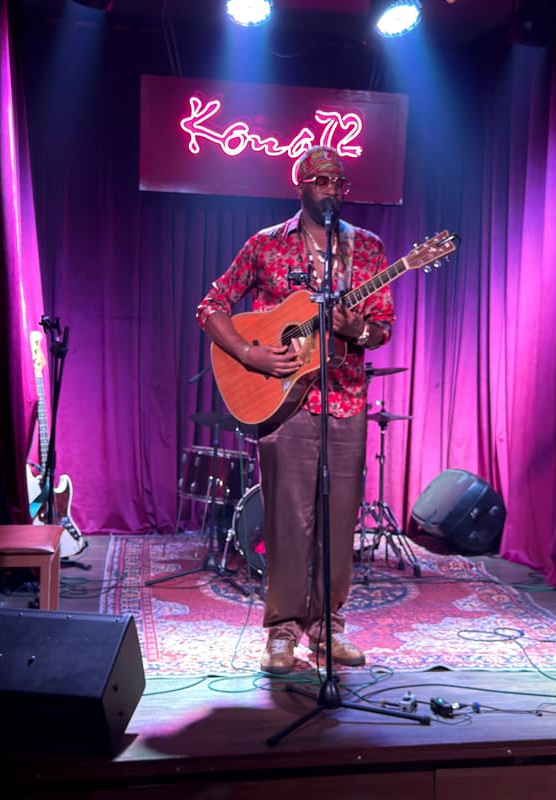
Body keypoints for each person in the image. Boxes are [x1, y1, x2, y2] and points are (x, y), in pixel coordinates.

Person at [196, 145, 395, 674]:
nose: (332, 189)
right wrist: (249, 351)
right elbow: (212, 305)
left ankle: (327, 627)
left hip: (346, 397)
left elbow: (382, 328)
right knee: (287, 523)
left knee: (338, 519)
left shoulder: (368, 249)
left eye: (340, 182)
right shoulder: (265, 246)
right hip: (284, 405)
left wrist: (359, 330)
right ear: (300, 183)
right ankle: (281, 632)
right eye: (322, 180)